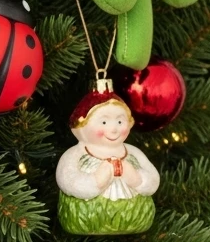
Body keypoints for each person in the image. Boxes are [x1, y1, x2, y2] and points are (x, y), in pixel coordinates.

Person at [56, 86, 160, 234]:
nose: (114, 129)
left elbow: (153, 179)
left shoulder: (133, 152)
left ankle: (133, 219)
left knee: (137, 214)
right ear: (81, 126)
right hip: (85, 218)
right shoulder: (75, 154)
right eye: (104, 122)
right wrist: (95, 181)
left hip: (135, 217)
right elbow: (67, 178)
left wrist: (137, 179)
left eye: (119, 122)